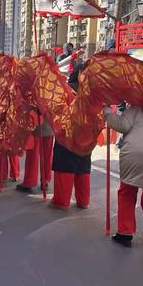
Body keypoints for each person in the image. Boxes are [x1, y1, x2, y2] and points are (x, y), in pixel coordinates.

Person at [105, 105, 143, 248]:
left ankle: (125, 233)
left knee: (127, 194)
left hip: (133, 155)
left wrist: (107, 112)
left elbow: (122, 125)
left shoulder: (136, 108)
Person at [50, 65, 91, 209]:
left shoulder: (65, 91)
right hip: (86, 136)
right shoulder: (92, 92)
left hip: (67, 137)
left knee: (65, 168)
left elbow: (56, 111)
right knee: (83, 169)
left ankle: (62, 201)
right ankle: (83, 201)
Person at [16, 116, 54, 194]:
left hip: (35, 122)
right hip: (50, 122)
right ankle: (45, 180)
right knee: (47, 154)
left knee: (33, 153)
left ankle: (30, 181)